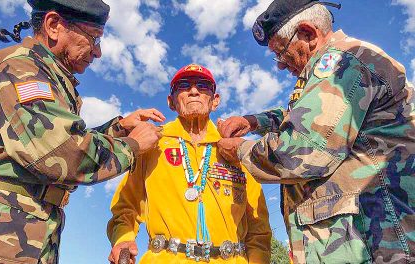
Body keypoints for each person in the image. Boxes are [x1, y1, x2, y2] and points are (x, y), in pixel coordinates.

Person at [216, 0, 415, 263]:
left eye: (281, 52)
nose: (279, 65)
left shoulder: (343, 64)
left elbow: (300, 150)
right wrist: (255, 122)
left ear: (308, 34)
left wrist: (240, 150)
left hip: (378, 245)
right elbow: (305, 115)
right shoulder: (343, 64)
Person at [0, 0, 163, 263]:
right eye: (94, 39)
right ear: (54, 26)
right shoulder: (22, 69)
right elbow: (61, 153)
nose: (97, 52)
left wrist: (119, 128)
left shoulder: (45, 72)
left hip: (25, 233)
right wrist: (132, 146)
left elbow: (60, 137)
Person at [107, 64, 272, 264]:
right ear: (171, 101)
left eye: (203, 86)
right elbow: (126, 206)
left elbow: (258, 227)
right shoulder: (152, 143)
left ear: (215, 100)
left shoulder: (235, 147)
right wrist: (124, 239)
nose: (194, 91)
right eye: (183, 85)